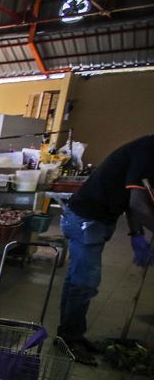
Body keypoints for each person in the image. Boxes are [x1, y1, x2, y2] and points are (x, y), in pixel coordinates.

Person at [57, 135, 154, 364]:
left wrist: (136, 234)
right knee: (85, 282)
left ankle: (70, 335)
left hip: (98, 218)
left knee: (77, 282)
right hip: (85, 218)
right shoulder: (149, 151)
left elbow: (132, 199)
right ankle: (70, 339)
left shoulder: (145, 150)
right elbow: (138, 204)